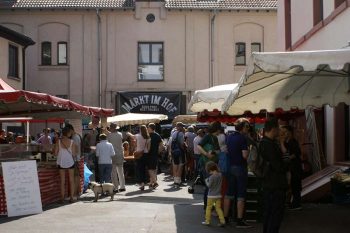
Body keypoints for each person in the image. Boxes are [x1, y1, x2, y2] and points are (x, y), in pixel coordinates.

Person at [260, 118, 289, 233]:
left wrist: (281, 143)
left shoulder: (265, 143)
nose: (279, 132)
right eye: (278, 129)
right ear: (273, 129)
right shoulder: (269, 145)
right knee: (275, 215)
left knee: (269, 213)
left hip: (269, 184)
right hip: (275, 185)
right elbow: (280, 167)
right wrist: (286, 161)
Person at [224, 118, 252, 228]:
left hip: (230, 167)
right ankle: (240, 220)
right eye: (247, 126)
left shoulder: (229, 137)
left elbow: (226, 150)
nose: (248, 128)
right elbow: (245, 155)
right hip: (240, 167)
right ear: (242, 127)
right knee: (241, 194)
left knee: (229, 193)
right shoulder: (243, 138)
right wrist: (249, 150)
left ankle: (225, 218)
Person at [197, 121, 221, 210]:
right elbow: (199, 146)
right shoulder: (208, 136)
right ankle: (207, 206)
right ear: (217, 129)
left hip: (212, 163)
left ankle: (209, 206)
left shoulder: (214, 138)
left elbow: (218, 150)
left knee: (211, 185)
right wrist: (207, 154)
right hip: (206, 164)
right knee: (209, 185)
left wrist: (214, 152)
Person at [280, 125, 302, 210]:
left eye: (285, 132)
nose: (284, 134)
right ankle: (292, 203)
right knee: (292, 186)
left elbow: (295, 154)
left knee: (296, 185)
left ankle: (297, 204)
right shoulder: (286, 142)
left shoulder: (293, 142)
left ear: (289, 132)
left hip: (295, 167)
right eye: (282, 132)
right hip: (290, 168)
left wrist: (286, 158)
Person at [53, 126, 77, 203]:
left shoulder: (58, 142)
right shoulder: (72, 142)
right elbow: (74, 154)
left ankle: (62, 198)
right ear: (68, 133)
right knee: (71, 180)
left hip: (61, 162)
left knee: (62, 181)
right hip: (70, 162)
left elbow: (55, 154)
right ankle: (72, 198)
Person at [202, 161, 226, 227]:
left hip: (211, 195)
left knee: (208, 208)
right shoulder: (220, 175)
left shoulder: (211, 177)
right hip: (218, 195)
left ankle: (207, 221)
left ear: (210, 170)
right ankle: (222, 221)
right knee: (218, 208)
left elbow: (209, 186)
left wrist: (206, 181)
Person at [108, 123, 126, 192]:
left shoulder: (109, 135)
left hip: (113, 155)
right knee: (121, 171)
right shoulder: (120, 134)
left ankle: (115, 187)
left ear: (111, 128)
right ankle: (122, 186)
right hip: (120, 154)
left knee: (113, 172)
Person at [66, 124, 82, 199]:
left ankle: (75, 193)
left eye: (68, 131)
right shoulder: (76, 136)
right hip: (76, 159)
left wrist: (74, 158)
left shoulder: (75, 137)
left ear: (71, 130)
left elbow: (76, 149)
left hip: (75, 159)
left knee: (75, 177)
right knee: (76, 176)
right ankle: (76, 193)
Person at [135, 125, 151, 190]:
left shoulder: (138, 136)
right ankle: (146, 182)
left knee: (140, 169)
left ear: (140, 130)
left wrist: (128, 133)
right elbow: (148, 148)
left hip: (139, 154)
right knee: (145, 169)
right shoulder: (148, 137)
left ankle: (142, 184)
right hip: (146, 154)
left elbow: (132, 136)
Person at [147, 123, 163, 189]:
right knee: (153, 169)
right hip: (155, 154)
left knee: (150, 169)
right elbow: (161, 145)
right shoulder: (157, 135)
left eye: (148, 127)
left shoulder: (148, 135)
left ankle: (155, 182)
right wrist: (158, 151)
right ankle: (151, 183)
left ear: (150, 128)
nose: (147, 128)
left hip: (149, 154)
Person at [170, 122, 186, 188]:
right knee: (180, 165)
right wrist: (184, 147)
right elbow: (182, 144)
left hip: (174, 151)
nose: (183, 128)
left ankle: (175, 180)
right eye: (182, 126)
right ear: (180, 127)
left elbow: (171, 143)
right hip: (180, 151)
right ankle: (178, 180)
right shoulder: (181, 133)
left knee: (175, 165)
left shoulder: (173, 133)